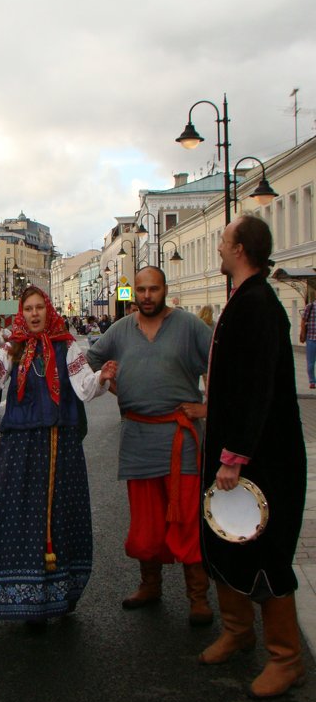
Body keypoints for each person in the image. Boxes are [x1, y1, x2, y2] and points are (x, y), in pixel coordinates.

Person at [199, 216, 307, 699]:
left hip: (262, 460)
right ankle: (239, 633)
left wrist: (234, 456)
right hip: (233, 455)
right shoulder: (245, 299)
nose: (218, 249)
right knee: (225, 540)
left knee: (265, 550)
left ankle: (287, 658)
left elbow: (259, 387)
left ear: (240, 248)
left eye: (223, 241)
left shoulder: (260, 304)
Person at [0, 286, 117, 624]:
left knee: (60, 513)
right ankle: (23, 593)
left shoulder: (66, 346)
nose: (34, 314)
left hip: (58, 442)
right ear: (23, 313)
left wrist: (102, 377)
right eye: (29, 309)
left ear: (48, 310)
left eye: (39, 308)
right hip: (20, 444)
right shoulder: (13, 346)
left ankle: (58, 593)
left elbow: (83, 387)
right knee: (18, 512)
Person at [87, 266, 214, 625]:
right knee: (147, 524)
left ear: (164, 290)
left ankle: (198, 597)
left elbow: (221, 365)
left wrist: (207, 407)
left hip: (181, 440)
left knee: (187, 519)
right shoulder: (120, 330)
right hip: (138, 439)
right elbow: (91, 364)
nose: (145, 296)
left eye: (152, 289)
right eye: (140, 290)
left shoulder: (189, 326)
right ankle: (150, 584)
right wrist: (114, 387)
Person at [300, 296, 316, 389]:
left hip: (311, 338)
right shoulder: (310, 306)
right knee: (310, 362)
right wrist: (302, 334)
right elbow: (303, 320)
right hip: (311, 339)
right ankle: (312, 381)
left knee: (310, 362)